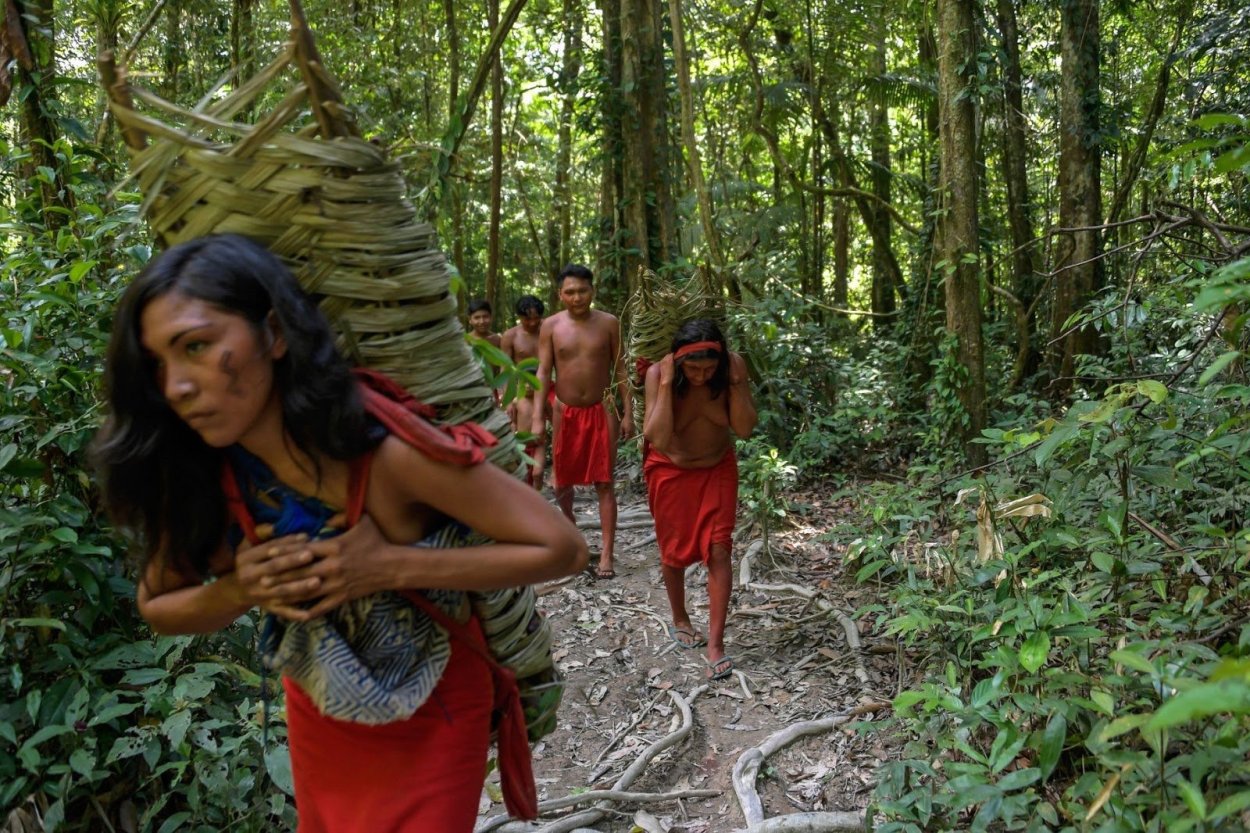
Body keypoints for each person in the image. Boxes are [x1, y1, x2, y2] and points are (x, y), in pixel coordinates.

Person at [92, 235, 587, 832]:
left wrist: (389, 566)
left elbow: (561, 546)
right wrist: (239, 588)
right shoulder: (209, 474)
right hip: (321, 704)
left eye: (197, 346)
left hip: (437, 713)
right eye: (158, 365)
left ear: (274, 334)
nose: (176, 386)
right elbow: (159, 605)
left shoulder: (385, 453)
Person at [642, 319, 756, 681]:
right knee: (672, 551)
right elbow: (658, 437)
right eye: (692, 368)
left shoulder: (729, 373)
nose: (701, 376)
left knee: (719, 550)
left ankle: (716, 644)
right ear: (678, 361)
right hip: (669, 469)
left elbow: (745, 428)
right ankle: (680, 617)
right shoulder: (660, 375)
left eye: (709, 368)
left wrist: (736, 381)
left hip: (717, 469)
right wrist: (663, 381)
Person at [531, 264, 633, 579]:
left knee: (605, 482)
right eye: (570, 292)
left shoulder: (609, 323)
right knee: (562, 480)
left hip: (602, 409)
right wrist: (537, 416)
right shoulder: (550, 325)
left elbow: (620, 370)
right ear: (560, 294)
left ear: (592, 290)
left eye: (582, 291)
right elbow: (543, 371)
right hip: (564, 411)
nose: (577, 297)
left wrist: (628, 412)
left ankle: (606, 555)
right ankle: (573, 537)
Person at [502, 294, 546, 488]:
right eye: (527, 318)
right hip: (522, 388)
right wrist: (507, 398)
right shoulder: (511, 336)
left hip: (547, 387)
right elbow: (505, 368)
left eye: (536, 317)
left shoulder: (548, 329)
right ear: (519, 317)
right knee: (522, 431)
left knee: (545, 434)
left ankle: (545, 478)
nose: (532, 322)